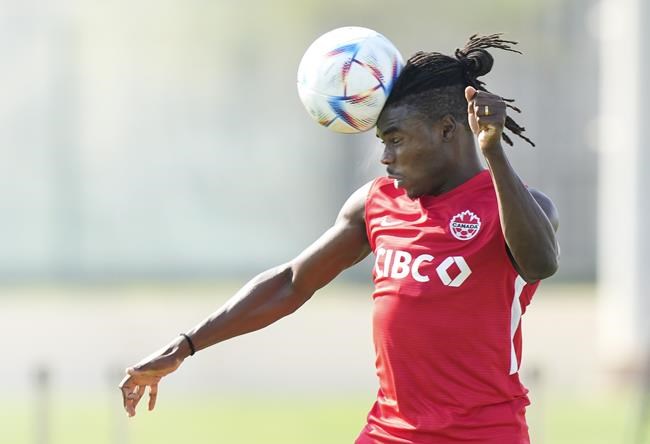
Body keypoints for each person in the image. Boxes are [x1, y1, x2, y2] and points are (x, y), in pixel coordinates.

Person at [119, 34, 559, 444]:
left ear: (447, 130)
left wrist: (493, 151)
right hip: (388, 432)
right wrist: (185, 346)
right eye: (382, 141)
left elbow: (541, 263)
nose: (385, 157)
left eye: (396, 139)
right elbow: (292, 282)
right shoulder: (376, 203)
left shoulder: (519, 205)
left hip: (484, 434)